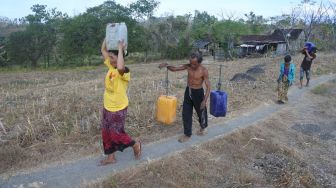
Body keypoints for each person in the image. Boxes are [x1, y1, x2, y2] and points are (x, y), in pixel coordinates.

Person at [99, 38, 141, 165]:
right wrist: (109, 34)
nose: (110, 59)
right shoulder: (111, 67)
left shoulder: (124, 71)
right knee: (106, 133)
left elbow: (121, 66)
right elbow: (103, 50)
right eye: (110, 57)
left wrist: (120, 49)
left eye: (112, 57)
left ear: (119, 57)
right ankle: (111, 157)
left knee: (116, 135)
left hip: (118, 108)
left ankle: (135, 144)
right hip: (107, 106)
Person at [159, 53, 211, 143]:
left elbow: (208, 87)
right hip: (188, 91)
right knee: (186, 113)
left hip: (198, 93)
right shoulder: (188, 66)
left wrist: (204, 100)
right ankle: (187, 134)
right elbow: (175, 69)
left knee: (201, 111)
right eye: (191, 63)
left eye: (194, 64)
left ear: (199, 62)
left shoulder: (204, 70)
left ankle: (203, 127)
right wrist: (167, 65)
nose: (192, 65)